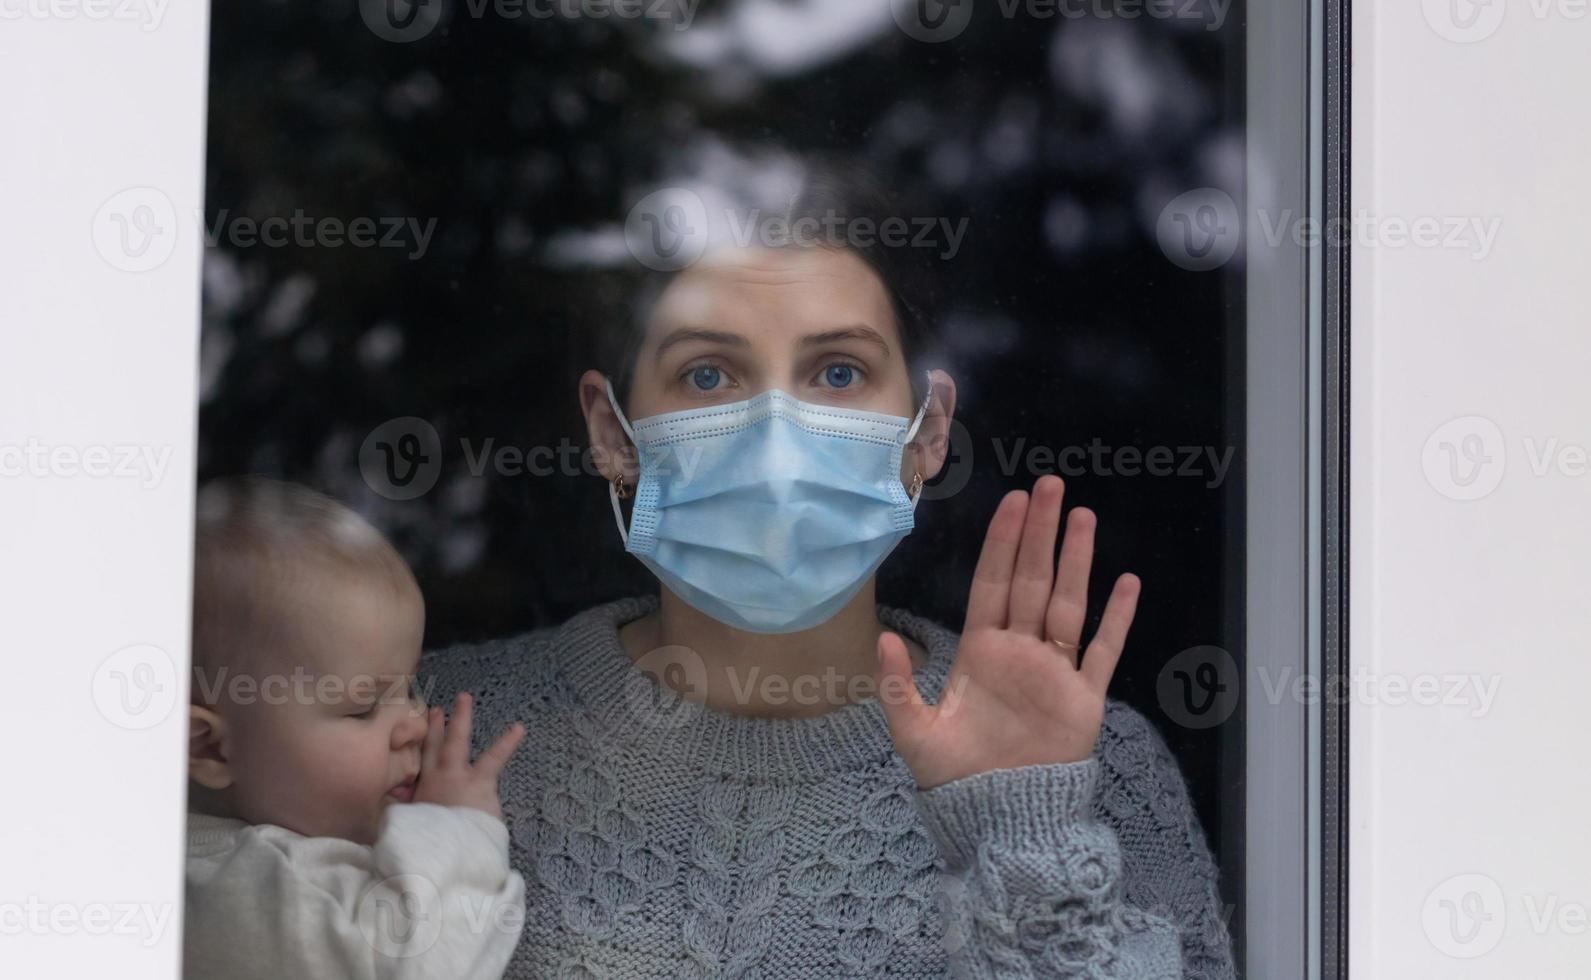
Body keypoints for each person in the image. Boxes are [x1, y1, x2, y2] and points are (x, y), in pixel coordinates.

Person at [420, 166, 1236, 977]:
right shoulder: (425, 733)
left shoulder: (1088, 769)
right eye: (708, 374)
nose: (775, 439)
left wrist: (1024, 828)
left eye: (838, 372)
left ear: (926, 434)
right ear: (613, 433)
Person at [183, 477, 528, 980]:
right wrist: (460, 828)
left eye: (410, 688)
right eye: (363, 708)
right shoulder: (234, 891)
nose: (415, 724)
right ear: (212, 748)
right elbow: (419, 959)